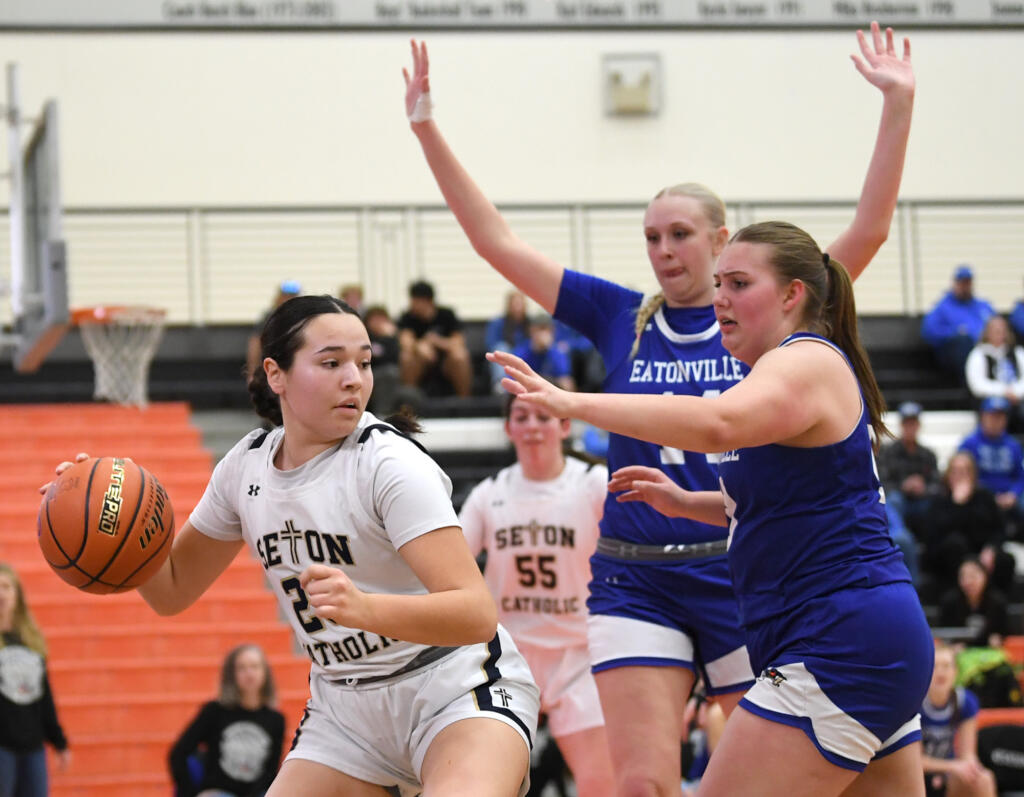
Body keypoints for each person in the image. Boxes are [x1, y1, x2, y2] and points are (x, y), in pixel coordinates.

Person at [403, 22, 915, 795]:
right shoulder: (626, 317)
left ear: (723, 240)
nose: (665, 250)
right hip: (651, 573)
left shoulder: (791, 346)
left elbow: (720, 422)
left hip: (773, 594)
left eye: (682, 234)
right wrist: (425, 126)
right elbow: (498, 243)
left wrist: (566, 398)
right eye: (651, 236)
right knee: (641, 784)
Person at [489, 219, 934, 795]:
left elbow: (719, 423)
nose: (720, 297)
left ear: (792, 295)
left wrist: (569, 401)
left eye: (740, 283)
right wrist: (685, 501)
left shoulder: (804, 360)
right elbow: (778, 504)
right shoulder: (782, 371)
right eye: (719, 283)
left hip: (837, 638)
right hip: (864, 635)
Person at [45, 295, 539, 796]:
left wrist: (365, 609)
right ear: (275, 374)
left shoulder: (389, 465)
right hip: (346, 714)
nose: (354, 378)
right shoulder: (245, 468)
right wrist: (117, 529)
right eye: (331, 363)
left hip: (454, 688)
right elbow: (171, 591)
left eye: (364, 362)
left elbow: (474, 613)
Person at [459, 395, 613, 796]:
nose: (532, 426)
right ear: (508, 429)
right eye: (521, 417)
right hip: (508, 654)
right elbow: (452, 565)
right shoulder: (489, 493)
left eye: (543, 416)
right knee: (489, 779)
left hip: (578, 653)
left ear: (564, 426)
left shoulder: (593, 484)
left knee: (601, 781)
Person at [169, 643, 286, 797]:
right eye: (242, 668)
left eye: (255, 666)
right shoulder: (215, 711)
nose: (249, 673)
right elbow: (178, 754)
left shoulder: (276, 720)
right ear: (231, 675)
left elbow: (271, 772)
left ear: (265, 673)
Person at [0, 562, 70, 797]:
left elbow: (44, 696)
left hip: (32, 747)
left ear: (16, 595)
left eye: (6, 587)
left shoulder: (31, 640)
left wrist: (58, 741)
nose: (1, 593)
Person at [921, 451, 1009, 598]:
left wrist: (991, 549)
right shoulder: (939, 500)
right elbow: (933, 538)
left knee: (1006, 560)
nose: (960, 476)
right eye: (955, 471)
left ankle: (994, 601)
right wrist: (958, 505)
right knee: (955, 544)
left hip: (981, 554)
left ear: (973, 474)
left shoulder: (985, 497)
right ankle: (955, 598)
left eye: (965, 471)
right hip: (949, 557)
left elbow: (999, 530)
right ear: (948, 475)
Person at [921, 640, 998, 797]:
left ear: (955, 672)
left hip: (948, 771)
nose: (941, 672)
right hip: (916, 773)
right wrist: (952, 767)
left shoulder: (965, 701)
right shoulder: (914, 702)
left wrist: (971, 768)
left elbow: (967, 754)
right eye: (935, 666)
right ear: (925, 671)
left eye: (947, 666)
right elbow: (913, 762)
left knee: (983, 778)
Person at [958, 396, 1024, 538]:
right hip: (981, 494)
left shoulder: (1013, 445)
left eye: (1000, 416)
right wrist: (991, 496)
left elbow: (1020, 476)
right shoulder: (969, 444)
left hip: (1010, 495)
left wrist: (1013, 494)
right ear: (983, 416)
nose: (996, 421)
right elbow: (963, 475)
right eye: (992, 416)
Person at [397, 279, 473, 398]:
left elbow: (458, 342)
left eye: (414, 300)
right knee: (406, 357)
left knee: (460, 355)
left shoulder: (447, 314)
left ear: (426, 301)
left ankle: (464, 401)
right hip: (421, 362)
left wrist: (435, 341)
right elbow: (405, 342)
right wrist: (419, 346)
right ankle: (409, 400)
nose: (411, 304)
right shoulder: (407, 317)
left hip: (446, 361)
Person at [878, 400, 942, 538]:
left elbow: (937, 485)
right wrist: (904, 486)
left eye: (913, 423)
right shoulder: (888, 452)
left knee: (936, 505)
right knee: (894, 500)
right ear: (901, 425)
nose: (910, 427)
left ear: (918, 425)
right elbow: (882, 483)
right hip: (898, 501)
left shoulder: (928, 455)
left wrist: (924, 488)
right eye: (907, 423)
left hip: (922, 501)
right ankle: (900, 538)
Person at [921, 265, 996, 381]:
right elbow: (928, 331)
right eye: (962, 283)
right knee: (963, 341)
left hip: (985, 350)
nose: (965, 287)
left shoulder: (983, 306)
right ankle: (971, 382)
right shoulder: (943, 307)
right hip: (956, 354)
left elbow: (998, 325)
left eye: (968, 283)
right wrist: (955, 332)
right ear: (955, 283)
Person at [965, 315, 1024, 434]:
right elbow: (977, 385)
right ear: (987, 332)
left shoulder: (1017, 352)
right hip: (990, 398)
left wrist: (1016, 392)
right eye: (995, 330)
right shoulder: (978, 354)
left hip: (1017, 398)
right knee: (996, 409)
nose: (999, 333)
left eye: (1002, 330)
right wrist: (1004, 392)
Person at [938, 557, 1010, 650]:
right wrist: (952, 646)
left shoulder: (998, 602)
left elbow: (1005, 632)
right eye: (963, 576)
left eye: (973, 576)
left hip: (989, 652)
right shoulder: (949, 602)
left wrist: (998, 638)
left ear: (985, 576)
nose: (968, 582)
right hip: (958, 653)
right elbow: (944, 633)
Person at [513, 315, 575, 392]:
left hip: (551, 394)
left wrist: (550, 349)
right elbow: (513, 379)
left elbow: (565, 380)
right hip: (528, 393)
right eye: (540, 329)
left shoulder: (557, 352)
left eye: (547, 330)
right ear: (531, 331)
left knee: (566, 382)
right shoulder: (522, 351)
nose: (543, 334)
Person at [486, 291, 532, 391]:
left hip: (525, 355)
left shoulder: (530, 324)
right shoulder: (498, 323)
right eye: (515, 304)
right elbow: (491, 344)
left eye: (520, 304)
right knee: (501, 348)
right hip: (507, 355)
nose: (518, 307)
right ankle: (502, 385)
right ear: (509, 305)